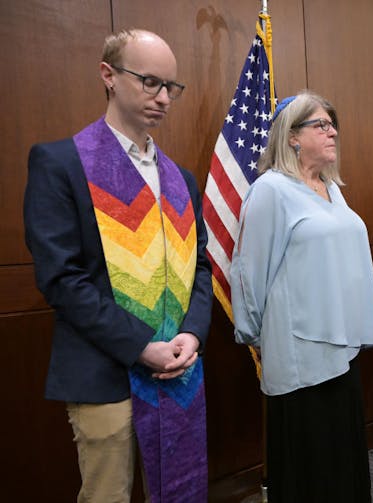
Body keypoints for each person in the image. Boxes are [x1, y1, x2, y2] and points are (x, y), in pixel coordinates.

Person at [23, 29, 213, 501]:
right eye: (150, 82)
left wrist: (193, 332)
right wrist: (139, 345)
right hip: (105, 373)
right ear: (108, 75)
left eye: (172, 87)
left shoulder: (180, 178)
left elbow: (201, 268)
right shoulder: (62, 163)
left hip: (178, 366)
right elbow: (62, 280)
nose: (164, 98)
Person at [230, 91, 373, 503]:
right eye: (321, 124)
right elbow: (249, 269)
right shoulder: (271, 190)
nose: (333, 131)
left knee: (342, 454)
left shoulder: (331, 189)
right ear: (293, 136)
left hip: (342, 346)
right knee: (312, 460)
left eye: (333, 123)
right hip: (300, 349)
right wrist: (257, 336)